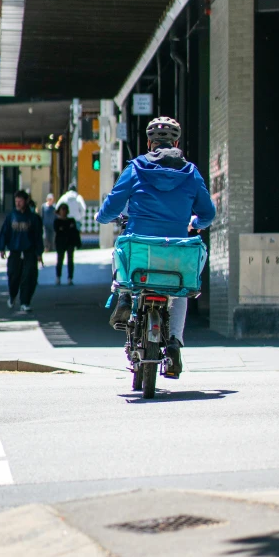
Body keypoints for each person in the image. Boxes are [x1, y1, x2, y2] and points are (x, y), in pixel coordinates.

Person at [96, 116, 216, 379]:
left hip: (140, 248)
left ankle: (125, 295)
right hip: (176, 251)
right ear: (176, 143)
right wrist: (194, 222)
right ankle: (174, 342)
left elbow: (112, 206)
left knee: (121, 249)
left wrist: (102, 217)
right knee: (180, 290)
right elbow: (208, 213)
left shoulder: (136, 168)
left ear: (149, 143)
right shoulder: (191, 172)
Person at [0, 189, 44, 313]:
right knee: (13, 276)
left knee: (29, 277)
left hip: (29, 251)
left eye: (20, 201)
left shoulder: (33, 218)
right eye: (16, 201)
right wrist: (2, 248)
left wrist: (39, 252)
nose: (18, 204)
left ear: (26, 201)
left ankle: (25, 302)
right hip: (15, 251)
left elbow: (38, 236)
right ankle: (13, 296)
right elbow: (4, 232)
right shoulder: (11, 217)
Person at [54, 203, 81, 285]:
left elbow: (74, 231)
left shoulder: (71, 220)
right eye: (62, 209)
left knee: (70, 260)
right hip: (60, 243)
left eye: (65, 209)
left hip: (70, 242)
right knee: (59, 260)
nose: (64, 211)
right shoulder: (57, 221)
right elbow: (57, 229)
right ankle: (58, 277)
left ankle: (70, 277)